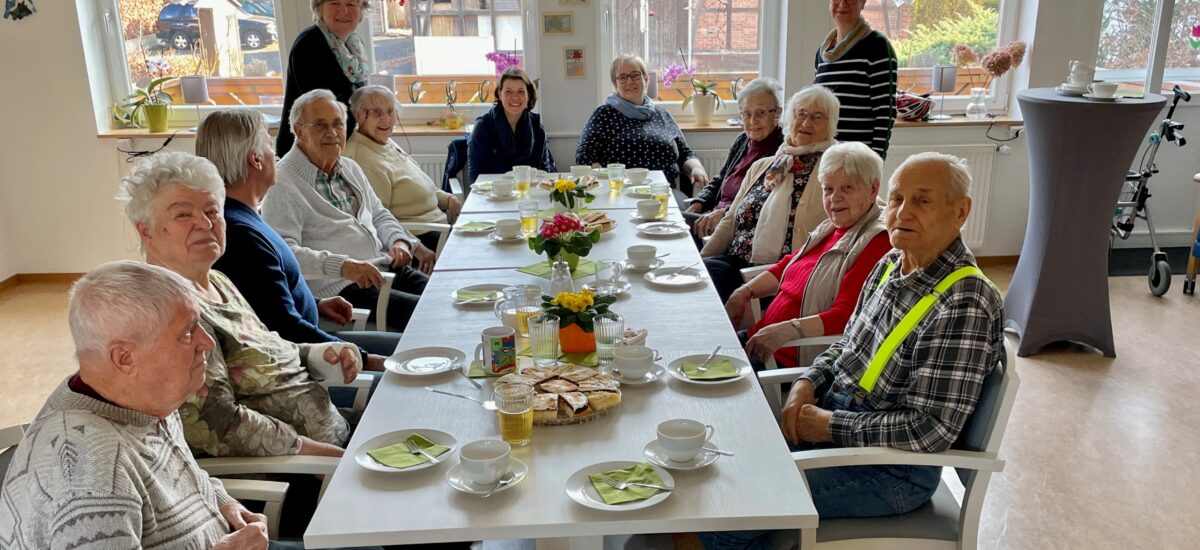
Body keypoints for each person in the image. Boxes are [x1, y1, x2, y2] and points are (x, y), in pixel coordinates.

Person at [700, 152, 1004, 549]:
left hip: (891, 469)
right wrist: (808, 381)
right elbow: (847, 343)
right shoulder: (892, 263)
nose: (903, 212)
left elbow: (931, 430)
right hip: (837, 424)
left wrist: (826, 424)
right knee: (714, 468)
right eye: (896, 200)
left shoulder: (965, 300)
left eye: (922, 200)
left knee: (728, 515)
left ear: (960, 211)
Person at [0, 260, 272, 549]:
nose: (207, 342)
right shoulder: (88, 473)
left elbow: (181, 476)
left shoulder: (142, 395)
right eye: (188, 333)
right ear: (125, 358)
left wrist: (221, 501)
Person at [117, 151, 359, 459]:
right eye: (183, 215)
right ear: (146, 230)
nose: (204, 223)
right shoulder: (167, 310)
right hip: (298, 473)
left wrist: (321, 354)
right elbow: (214, 423)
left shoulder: (218, 281)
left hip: (335, 435)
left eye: (212, 211)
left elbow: (266, 351)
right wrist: (314, 453)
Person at [196, 109, 399, 362]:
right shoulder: (242, 237)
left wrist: (315, 303)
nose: (277, 154)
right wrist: (367, 359)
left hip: (314, 345)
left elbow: (263, 300)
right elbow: (284, 329)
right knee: (414, 370)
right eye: (270, 146)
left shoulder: (244, 218)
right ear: (256, 159)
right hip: (307, 368)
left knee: (411, 347)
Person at [263, 89, 431, 332]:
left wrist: (399, 241)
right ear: (299, 131)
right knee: (428, 314)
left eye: (337, 124)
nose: (332, 133)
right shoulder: (282, 183)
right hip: (343, 286)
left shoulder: (349, 168)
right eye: (320, 125)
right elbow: (285, 255)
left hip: (383, 265)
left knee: (446, 295)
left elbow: (379, 213)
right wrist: (343, 266)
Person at [725, 142, 891, 370]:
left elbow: (846, 317)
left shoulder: (877, 242)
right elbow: (789, 265)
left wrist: (787, 330)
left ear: (873, 189)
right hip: (761, 341)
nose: (835, 198)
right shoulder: (831, 226)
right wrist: (745, 291)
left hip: (787, 361)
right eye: (828, 189)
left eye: (847, 188)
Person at [702, 85, 841, 303]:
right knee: (696, 274)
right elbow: (729, 222)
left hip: (777, 275)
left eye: (818, 117)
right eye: (801, 114)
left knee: (709, 276)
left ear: (830, 125)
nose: (806, 123)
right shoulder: (765, 166)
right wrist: (699, 259)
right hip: (736, 260)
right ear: (789, 119)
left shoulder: (834, 171)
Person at [345, 85, 462, 254]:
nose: (386, 119)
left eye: (390, 111)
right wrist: (414, 246)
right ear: (359, 115)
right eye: (377, 112)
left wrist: (447, 198)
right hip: (424, 236)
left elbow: (417, 184)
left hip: (439, 224)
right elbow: (377, 219)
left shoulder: (384, 141)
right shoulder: (362, 159)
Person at [575, 54, 709, 192]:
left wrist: (696, 168)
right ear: (615, 84)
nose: (629, 82)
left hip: (663, 193)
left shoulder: (662, 115)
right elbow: (584, 155)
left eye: (635, 75)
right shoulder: (603, 114)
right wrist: (606, 181)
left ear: (646, 78)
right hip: (620, 193)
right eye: (622, 77)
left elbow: (685, 153)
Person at [685, 78, 785, 239]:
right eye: (747, 113)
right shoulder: (743, 140)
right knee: (671, 225)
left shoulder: (782, 150)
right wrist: (699, 203)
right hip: (713, 219)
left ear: (777, 113)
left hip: (739, 228)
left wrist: (724, 213)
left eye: (761, 113)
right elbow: (720, 178)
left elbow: (760, 200)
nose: (753, 121)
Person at [276, 0, 373, 155]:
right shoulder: (309, 44)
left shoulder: (353, 45)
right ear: (319, 9)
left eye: (351, 4)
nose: (343, 11)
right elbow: (321, 110)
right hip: (308, 151)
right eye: (334, 3)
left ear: (361, 11)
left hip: (334, 145)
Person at [814, 0, 898, 159]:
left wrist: (876, 162)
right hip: (824, 157)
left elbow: (884, 112)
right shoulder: (822, 52)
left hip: (858, 159)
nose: (842, 4)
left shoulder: (877, 46)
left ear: (863, 2)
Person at [467, 68, 556, 183]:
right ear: (499, 94)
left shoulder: (538, 129)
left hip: (530, 195)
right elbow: (476, 176)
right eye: (508, 91)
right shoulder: (483, 127)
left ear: (528, 94)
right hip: (494, 195)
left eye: (521, 91)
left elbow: (544, 173)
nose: (515, 97)